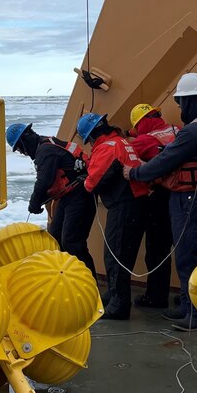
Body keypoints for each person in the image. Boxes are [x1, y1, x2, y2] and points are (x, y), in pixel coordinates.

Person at [124, 74, 197, 331]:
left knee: (188, 256)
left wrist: (134, 173)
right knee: (192, 254)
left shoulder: (195, 131)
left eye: (180, 103)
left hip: (190, 200)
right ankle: (189, 306)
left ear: (187, 102)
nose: (180, 109)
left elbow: (165, 162)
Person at [77, 113, 150, 320]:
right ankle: (114, 293)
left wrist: (84, 180)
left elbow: (93, 183)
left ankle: (119, 305)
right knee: (121, 254)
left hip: (125, 205)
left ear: (91, 136)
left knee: (116, 255)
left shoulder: (108, 147)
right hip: (136, 202)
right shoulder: (121, 142)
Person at [6, 122, 96, 277]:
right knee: (55, 236)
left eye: (19, 148)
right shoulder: (46, 145)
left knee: (72, 242)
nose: (22, 153)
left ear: (24, 141)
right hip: (68, 196)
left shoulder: (46, 151)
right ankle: (67, 277)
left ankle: (89, 281)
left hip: (80, 196)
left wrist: (33, 204)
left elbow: (44, 181)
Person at [127, 104, 178, 308]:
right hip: (186, 196)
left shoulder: (144, 140)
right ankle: (190, 298)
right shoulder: (177, 130)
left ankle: (156, 297)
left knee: (157, 249)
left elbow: (125, 155)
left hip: (163, 197)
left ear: (142, 122)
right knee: (186, 250)